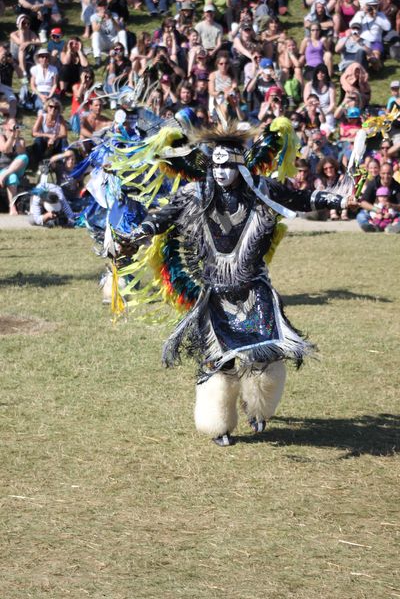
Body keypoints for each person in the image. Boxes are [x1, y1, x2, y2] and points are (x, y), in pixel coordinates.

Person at [116, 121, 349, 446]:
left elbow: (300, 198)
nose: (222, 172)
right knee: (218, 360)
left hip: (255, 290)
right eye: (217, 165)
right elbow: (162, 216)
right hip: (214, 292)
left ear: (241, 167)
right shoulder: (195, 194)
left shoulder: (262, 191)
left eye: (228, 166)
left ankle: (259, 409)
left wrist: (334, 199)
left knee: (265, 355)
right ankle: (219, 424)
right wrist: (138, 234)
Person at [356, 162, 400, 230]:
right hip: (374, 213)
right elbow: (362, 202)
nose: (386, 176)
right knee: (361, 215)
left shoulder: (397, 186)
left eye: (389, 173)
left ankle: (393, 227)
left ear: (393, 173)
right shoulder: (373, 184)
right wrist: (376, 210)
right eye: (383, 173)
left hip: (392, 214)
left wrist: (392, 206)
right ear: (379, 173)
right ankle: (370, 227)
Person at [349, 0, 391, 69]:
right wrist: (364, 15)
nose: (374, 8)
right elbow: (353, 26)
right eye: (371, 6)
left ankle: (376, 65)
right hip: (363, 42)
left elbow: (387, 27)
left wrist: (376, 17)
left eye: (375, 6)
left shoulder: (380, 15)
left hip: (375, 42)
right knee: (368, 56)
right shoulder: (360, 14)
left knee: (375, 59)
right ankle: (365, 66)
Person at [0, 118, 29, 215]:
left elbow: (21, 154)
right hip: (2, 169)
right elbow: (5, 149)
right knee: (12, 177)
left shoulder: (20, 140)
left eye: (15, 126)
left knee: (24, 157)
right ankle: (12, 206)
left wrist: (16, 138)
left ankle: (5, 175)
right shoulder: (1, 137)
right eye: (11, 127)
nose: (13, 129)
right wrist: (11, 137)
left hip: (15, 170)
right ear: (5, 127)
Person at [90, 0, 128, 67]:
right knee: (95, 34)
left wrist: (112, 19)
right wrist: (101, 19)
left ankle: (125, 55)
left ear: (107, 6)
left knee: (122, 32)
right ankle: (97, 58)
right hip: (103, 43)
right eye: (100, 5)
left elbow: (119, 29)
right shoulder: (94, 17)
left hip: (114, 42)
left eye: (104, 5)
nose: (103, 7)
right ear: (97, 7)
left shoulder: (114, 14)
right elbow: (95, 30)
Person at [32, 97, 68, 163]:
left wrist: (54, 137)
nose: (53, 109)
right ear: (47, 107)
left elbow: (64, 134)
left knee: (64, 140)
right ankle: (38, 161)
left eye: (56, 107)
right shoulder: (42, 117)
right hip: (43, 142)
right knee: (38, 139)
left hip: (55, 143)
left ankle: (63, 160)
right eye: (51, 106)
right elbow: (34, 133)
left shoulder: (60, 118)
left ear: (58, 109)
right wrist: (48, 136)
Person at [0, 46, 17, 119]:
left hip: (6, 88)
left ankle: (12, 119)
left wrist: (13, 63)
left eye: (6, 54)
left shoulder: (10, 63)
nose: (5, 56)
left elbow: (21, 75)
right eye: (2, 53)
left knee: (13, 101)